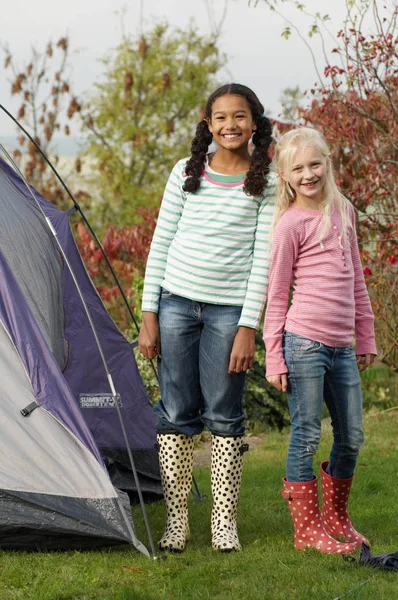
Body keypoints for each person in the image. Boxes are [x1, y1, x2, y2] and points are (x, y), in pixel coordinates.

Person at [138, 83, 276, 552]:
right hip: (175, 303)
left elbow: (262, 260)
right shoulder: (186, 171)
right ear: (208, 123)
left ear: (254, 122)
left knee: (224, 412)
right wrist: (149, 313)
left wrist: (247, 326)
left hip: (228, 314)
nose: (230, 125)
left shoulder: (268, 181)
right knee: (175, 411)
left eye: (239, 117)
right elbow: (161, 242)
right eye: (220, 117)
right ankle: (177, 522)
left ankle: (223, 525)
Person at [263, 127, 377, 554]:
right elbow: (277, 295)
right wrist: (274, 356)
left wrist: (364, 335)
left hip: (342, 347)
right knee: (307, 433)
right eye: (299, 168)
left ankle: (335, 518)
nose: (309, 174)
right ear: (286, 176)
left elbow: (357, 281)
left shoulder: (343, 210)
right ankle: (306, 531)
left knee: (351, 436)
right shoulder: (290, 224)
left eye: (316, 164)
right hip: (304, 344)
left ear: (328, 162)